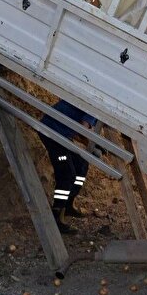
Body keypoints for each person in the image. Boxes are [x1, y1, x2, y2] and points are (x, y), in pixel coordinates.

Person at [39, 99, 97, 234]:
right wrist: (93, 145)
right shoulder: (95, 108)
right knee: (67, 173)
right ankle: (57, 214)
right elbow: (82, 129)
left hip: (62, 133)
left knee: (81, 164)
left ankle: (68, 203)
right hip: (52, 132)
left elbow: (77, 130)